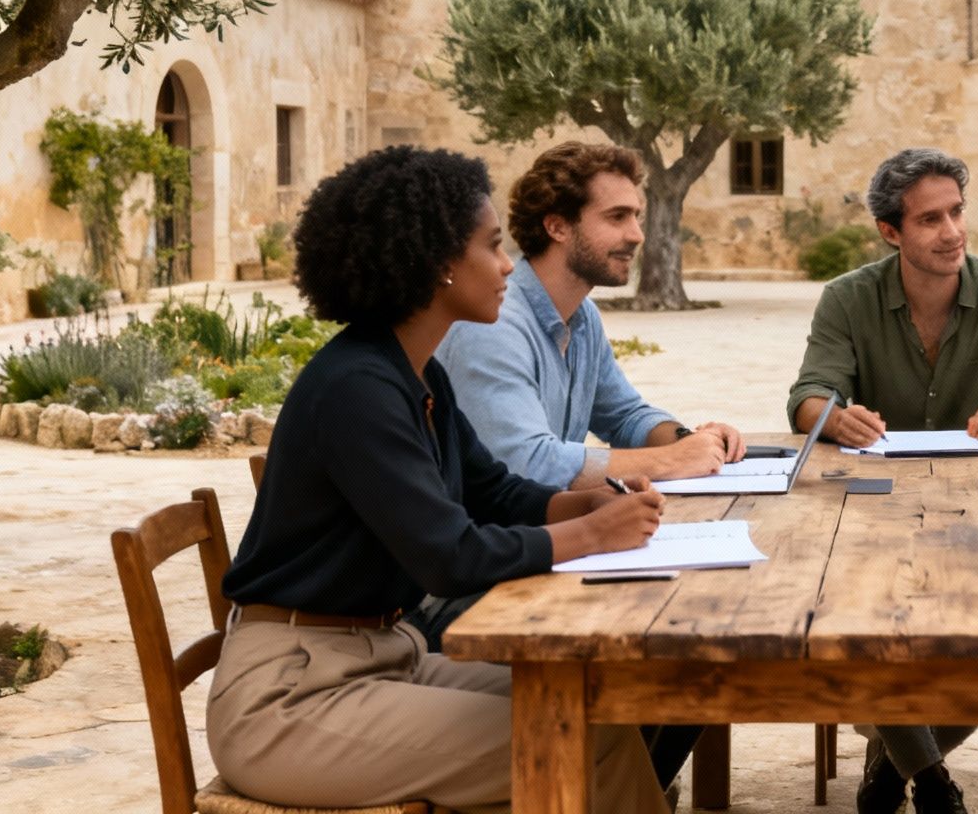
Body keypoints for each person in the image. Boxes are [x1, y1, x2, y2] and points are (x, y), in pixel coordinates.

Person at [208, 146, 671, 814]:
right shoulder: (357, 390)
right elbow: (449, 556)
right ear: (438, 265)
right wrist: (592, 534)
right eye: (492, 247)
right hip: (293, 698)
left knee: (599, 714)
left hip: (380, 659)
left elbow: (496, 492)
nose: (509, 265)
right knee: (576, 740)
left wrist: (582, 502)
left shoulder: (418, 373)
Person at [424, 140, 734, 790]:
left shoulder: (579, 316)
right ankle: (611, 791)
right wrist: (670, 459)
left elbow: (624, 413)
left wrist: (693, 437)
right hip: (476, 587)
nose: (635, 234)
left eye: (636, 217)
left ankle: (626, 791)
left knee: (701, 648)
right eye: (617, 217)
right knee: (672, 652)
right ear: (559, 226)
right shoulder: (494, 322)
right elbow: (526, 462)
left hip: (545, 557)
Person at [788, 147, 978, 814]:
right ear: (891, 232)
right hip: (866, 513)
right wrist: (836, 418)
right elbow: (808, 396)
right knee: (852, 614)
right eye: (929, 220)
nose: (951, 231)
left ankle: (895, 761)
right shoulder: (847, 298)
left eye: (956, 213)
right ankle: (936, 782)